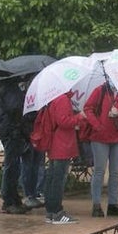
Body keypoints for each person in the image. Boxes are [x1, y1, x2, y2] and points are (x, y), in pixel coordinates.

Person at [83, 80, 118, 218]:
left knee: (115, 172)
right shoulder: (100, 90)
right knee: (99, 171)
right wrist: (97, 125)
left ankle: (113, 204)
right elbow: (88, 108)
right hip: (100, 137)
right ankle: (96, 204)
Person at [42, 90, 84, 224]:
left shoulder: (55, 98)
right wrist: (79, 117)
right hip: (62, 144)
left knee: (52, 177)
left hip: (56, 143)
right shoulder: (62, 100)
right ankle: (57, 212)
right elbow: (64, 121)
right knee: (58, 179)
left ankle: (50, 211)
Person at [0, 76, 33, 214]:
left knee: (14, 166)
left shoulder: (7, 88)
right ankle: (8, 199)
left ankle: (13, 198)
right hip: (11, 131)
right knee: (11, 166)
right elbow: (15, 109)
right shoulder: (9, 90)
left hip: (12, 130)